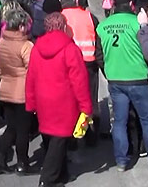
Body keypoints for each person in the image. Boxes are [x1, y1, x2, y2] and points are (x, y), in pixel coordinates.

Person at [96, 0, 148, 171]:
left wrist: (108, 70)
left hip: (115, 80)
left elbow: (99, 55)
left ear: (114, 5)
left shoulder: (103, 26)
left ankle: (121, 160)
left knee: (119, 121)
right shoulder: (137, 23)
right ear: (132, 5)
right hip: (137, 78)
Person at [26, 12, 93, 186]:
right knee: (59, 141)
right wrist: (86, 107)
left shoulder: (36, 48)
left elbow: (30, 78)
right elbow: (79, 81)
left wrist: (30, 102)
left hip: (43, 101)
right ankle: (47, 179)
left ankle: (61, 175)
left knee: (51, 138)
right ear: (63, 27)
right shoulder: (70, 49)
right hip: (64, 102)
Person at [59, 0, 103, 145]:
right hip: (89, 64)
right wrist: (104, 68)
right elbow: (99, 45)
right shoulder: (89, 17)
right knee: (90, 101)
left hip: (67, 67)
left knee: (70, 102)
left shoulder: (59, 17)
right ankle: (91, 137)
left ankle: (71, 139)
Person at [0, 8, 34, 175]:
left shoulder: (2, 42)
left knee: (11, 127)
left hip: (5, 87)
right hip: (22, 91)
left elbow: (0, 68)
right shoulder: (26, 45)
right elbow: (32, 71)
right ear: (21, 26)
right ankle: (22, 162)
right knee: (23, 129)